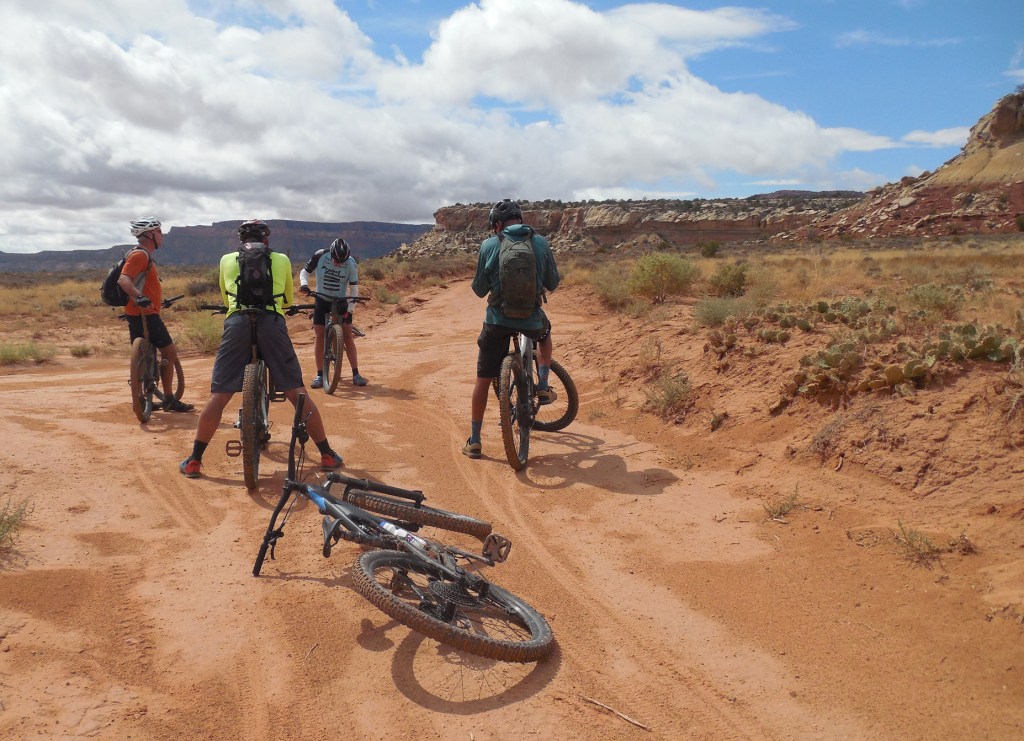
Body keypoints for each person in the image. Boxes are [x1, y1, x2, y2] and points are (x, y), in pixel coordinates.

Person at [179, 219, 344, 478]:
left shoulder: (226, 260)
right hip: (271, 323)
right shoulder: (281, 259)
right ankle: (326, 454)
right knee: (296, 391)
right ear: (266, 240)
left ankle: (195, 460)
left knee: (219, 396)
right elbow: (287, 299)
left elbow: (226, 297)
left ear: (241, 240)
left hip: (237, 323)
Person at [463, 199, 560, 459]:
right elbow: (553, 282)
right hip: (531, 319)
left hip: (496, 322)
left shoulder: (489, 245)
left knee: (483, 379)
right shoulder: (540, 243)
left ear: (496, 225)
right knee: (545, 335)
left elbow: (479, 289)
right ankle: (542, 384)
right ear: (520, 220)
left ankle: (475, 441)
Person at [119, 217, 194, 413]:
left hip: (136, 312)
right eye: (159, 231)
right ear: (150, 234)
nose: (162, 235)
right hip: (146, 314)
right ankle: (169, 398)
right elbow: (124, 280)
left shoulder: (140, 254)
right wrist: (140, 297)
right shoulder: (140, 255)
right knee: (169, 352)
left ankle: (143, 397)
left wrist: (155, 301)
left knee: (144, 354)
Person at [298, 236, 368, 388]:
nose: (339, 263)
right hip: (321, 299)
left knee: (348, 334)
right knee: (319, 335)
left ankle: (356, 373)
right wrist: (304, 285)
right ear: (331, 253)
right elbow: (304, 272)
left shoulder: (351, 264)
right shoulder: (320, 255)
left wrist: (350, 311)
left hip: (340, 301)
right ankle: (319, 375)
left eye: (342, 261)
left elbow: (354, 289)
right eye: (336, 260)